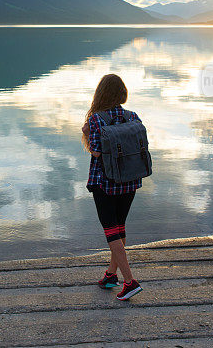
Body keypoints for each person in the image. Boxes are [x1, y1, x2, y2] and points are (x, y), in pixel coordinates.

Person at [81, 73, 143, 301]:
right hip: (130, 180)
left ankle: (130, 281)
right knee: (119, 228)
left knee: (110, 232)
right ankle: (110, 275)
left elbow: (97, 152)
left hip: (105, 183)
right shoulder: (132, 116)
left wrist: (87, 135)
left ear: (101, 94)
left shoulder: (97, 119)